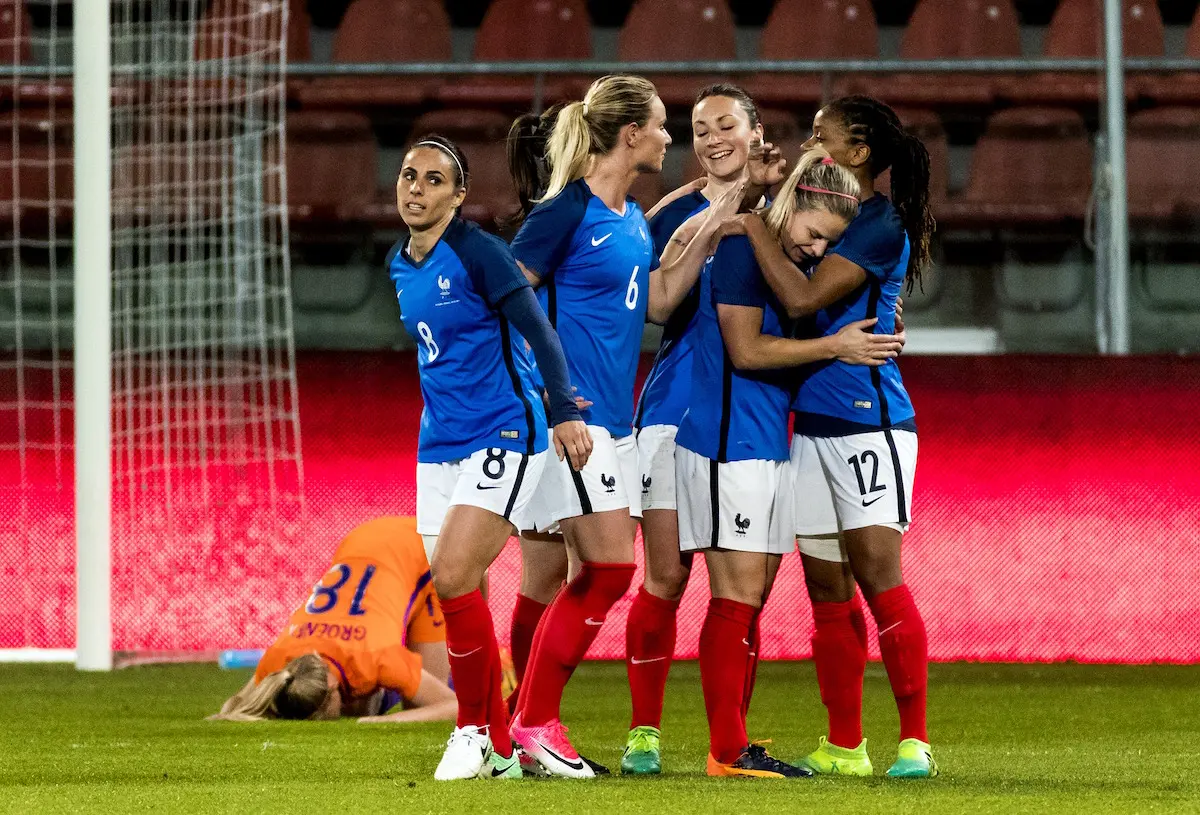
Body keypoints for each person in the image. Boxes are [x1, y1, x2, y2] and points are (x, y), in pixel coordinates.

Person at [505, 74, 734, 778]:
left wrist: (716, 222)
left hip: (613, 421)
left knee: (552, 575)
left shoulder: (629, 216)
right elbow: (510, 305)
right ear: (631, 134)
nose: (672, 137)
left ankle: (521, 725)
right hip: (576, 422)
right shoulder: (565, 211)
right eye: (664, 125)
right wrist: (557, 406)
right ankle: (531, 722)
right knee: (608, 568)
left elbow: (660, 299)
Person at [718, 95, 938, 779]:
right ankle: (846, 744)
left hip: (868, 425)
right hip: (810, 427)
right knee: (826, 589)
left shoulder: (878, 223)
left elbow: (803, 300)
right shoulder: (831, 209)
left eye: (825, 133)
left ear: (861, 150)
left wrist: (753, 228)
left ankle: (915, 742)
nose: (813, 140)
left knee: (880, 578)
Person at [677, 148, 901, 778]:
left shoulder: (769, 253)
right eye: (812, 234)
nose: (813, 250)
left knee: (748, 600)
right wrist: (837, 345)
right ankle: (726, 751)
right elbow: (745, 353)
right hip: (727, 443)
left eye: (826, 244)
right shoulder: (744, 250)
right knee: (734, 598)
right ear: (793, 203)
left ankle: (733, 742)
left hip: (764, 442)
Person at [388, 134, 591, 781]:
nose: (416, 188)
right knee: (459, 588)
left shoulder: (478, 254)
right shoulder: (400, 261)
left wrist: (560, 405)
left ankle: (471, 729)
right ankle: (501, 744)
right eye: (408, 175)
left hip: (504, 430)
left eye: (432, 179)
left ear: (458, 194)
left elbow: (538, 329)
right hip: (438, 444)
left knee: (451, 573)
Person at [621, 82, 780, 776]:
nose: (712, 138)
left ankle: (732, 738)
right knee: (665, 573)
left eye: (726, 125)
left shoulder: (788, 207)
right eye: (698, 128)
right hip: (668, 413)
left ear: (756, 131)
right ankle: (644, 732)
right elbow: (649, 305)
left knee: (744, 587)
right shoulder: (673, 213)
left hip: (749, 416)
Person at [209, 517, 456, 724]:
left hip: (421, 551)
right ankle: (378, 695)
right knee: (371, 698)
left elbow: (453, 707)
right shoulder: (280, 660)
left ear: (330, 687)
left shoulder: (377, 657)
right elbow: (241, 704)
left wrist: (386, 721)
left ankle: (490, 671)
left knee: (420, 706)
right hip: (360, 540)